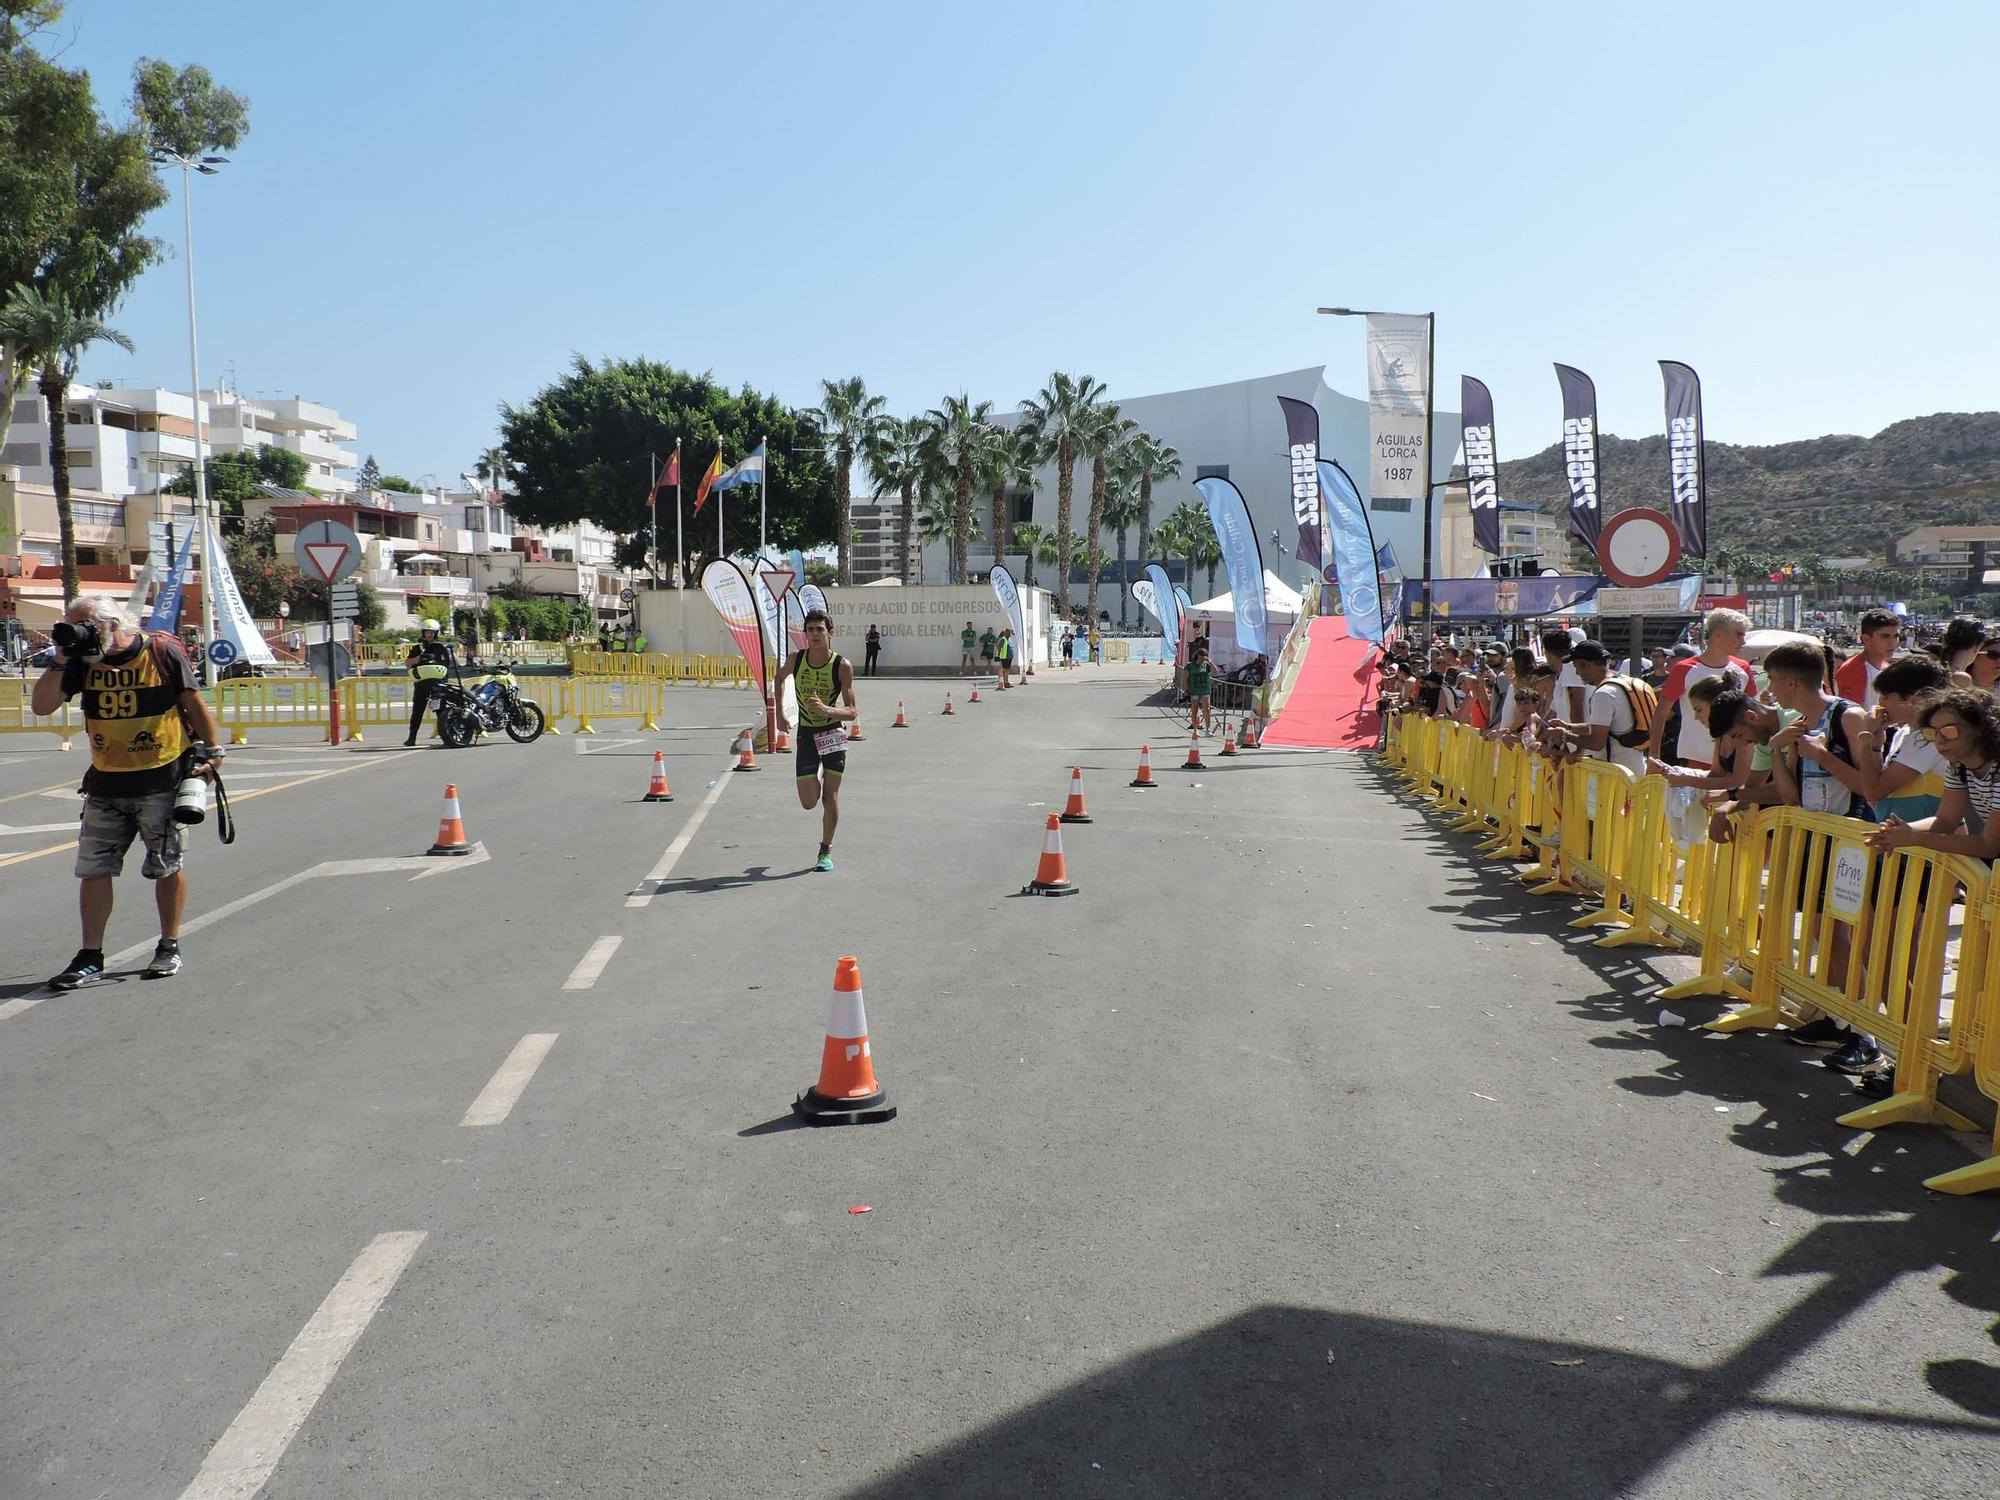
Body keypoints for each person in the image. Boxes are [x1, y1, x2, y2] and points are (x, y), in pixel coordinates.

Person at [30, 595, 226, 989]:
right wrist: (61, 658)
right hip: (106, 783)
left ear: (110, 623)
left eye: (83, 626)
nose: (77, 635)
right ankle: (90, 955)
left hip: (162, 781)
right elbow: (41, 706)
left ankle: (168, 945)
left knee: (166, 865)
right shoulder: (82, 663)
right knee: (94, 870)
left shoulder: (160, 652)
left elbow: (192, 701)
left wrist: (214, 752)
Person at [774, 608, 858, 872]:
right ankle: (817, 775)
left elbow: (852, 711)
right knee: (809, 802)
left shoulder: (842, 666)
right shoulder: (796, 660)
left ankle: (825, 850)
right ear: (805, 634)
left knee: (829, 798)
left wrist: (827, 710)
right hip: (807, 735)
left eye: (820, 629)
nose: (815, 634)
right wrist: (779, 714)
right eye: (810, 630)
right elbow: (778, 679)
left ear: (829, 633)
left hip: (832, 732)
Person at [1651, 608, 1752, 771]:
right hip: (1694, 760)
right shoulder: (1684, 669)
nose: (1744, 641)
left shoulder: (1743, 668)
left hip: (1733, 760)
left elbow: (1749, 713)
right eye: (1739, 634)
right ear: (1718, 635)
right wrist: (1654, 757)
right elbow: (1660, 714)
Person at [1551, 640, 1647, 775]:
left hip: (1615, 774)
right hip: (1634, 767)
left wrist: (1565, 736)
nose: (1577, 673)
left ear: (1588, 665)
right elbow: (1603, 726)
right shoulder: (1623, 682)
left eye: (1577, 667)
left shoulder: (1603, 694)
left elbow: (1596, 742)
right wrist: (1569, 726)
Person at [1833, 607, 1902, 708]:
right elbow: (1849, 716)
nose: (1892, 642)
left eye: (1896, 636)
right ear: (1866, 639)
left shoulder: (1887, 668)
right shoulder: (1855, 669)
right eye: (1885, 636)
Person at [404, 619, 456, 746]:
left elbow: (449, 664)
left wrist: (441, 659)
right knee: (417, 711)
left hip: (438, 685)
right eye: (427, 632)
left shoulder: (440, 648)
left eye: (432, 632)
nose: (429, 635)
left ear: (436, 633)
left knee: (441, 712)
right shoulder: (417, 648)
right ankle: (412, 737)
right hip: (422, 684)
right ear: (423, 632)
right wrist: (420, 658)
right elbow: (408, 663)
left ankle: (446, 737)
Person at [1186, 645, 1214, 734]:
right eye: (1203, 656)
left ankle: (1208, 729)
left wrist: (1210, 662)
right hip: (1194, 689)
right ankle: (1195, 729)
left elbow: (1216, 671)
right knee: (1194, 709)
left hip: (1204, 689)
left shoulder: (1206, 665)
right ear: (1199, 655)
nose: (1204, 658)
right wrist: (1186, 689)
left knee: (1207, 709)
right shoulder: (1190, 665)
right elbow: (1186, 678)